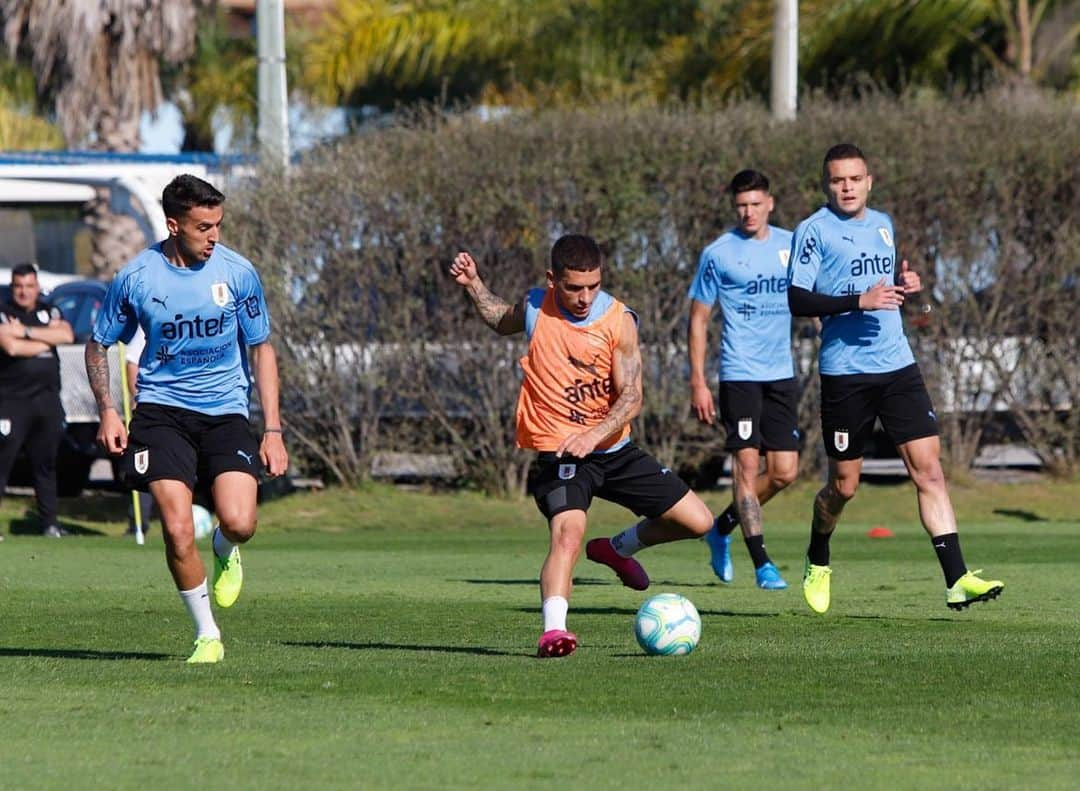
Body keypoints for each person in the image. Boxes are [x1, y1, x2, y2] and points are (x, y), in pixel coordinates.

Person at [449, 235, 714, 658]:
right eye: (574, 287)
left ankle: (618, 548)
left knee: (698, 522)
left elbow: (632, 396)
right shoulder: (537, 307)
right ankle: (554, 632)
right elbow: (501, 318)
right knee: (568, 535)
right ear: (553, 280)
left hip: (612, 449)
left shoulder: (617, 320)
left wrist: (593, 434)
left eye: (593, 286)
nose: (585, 296)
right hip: (561, 452)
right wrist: (474, 284)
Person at [787, 143, 1003, 613]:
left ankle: (957, 578)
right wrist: (856, 301)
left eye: (854, 179)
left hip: (898, 366)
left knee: (930, 471)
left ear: (869, 181)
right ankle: (818, 555)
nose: (846, 187)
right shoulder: (813, 231)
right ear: (828, 185)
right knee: (844, 486)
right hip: (845, 374)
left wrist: (915, 294)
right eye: (837, 180)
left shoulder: (884, 225)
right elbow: (798, 301)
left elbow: (913, 311)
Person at [85, 174, 288, 663]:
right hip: (161, 413)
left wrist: (274, 429)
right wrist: (109, 411)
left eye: (218, 224)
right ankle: (207, 635)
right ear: (174, 225)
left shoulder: (238, 273)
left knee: (240, 522)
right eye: (203, 227)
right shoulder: (137, 278)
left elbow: (261, 348)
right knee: (176, 530)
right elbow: (98, 344)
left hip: (225, 412)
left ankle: (224, 546)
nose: (214, 235)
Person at [687, 169, 798, 590]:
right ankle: (763, 563)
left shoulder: (792, 245)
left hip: (782, 373)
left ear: (770, 203)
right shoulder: (718, 253)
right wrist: (699, 381)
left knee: (785, 472)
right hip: (739, 374)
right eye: (741, 206)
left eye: (756, 204)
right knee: (747, 467)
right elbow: (698, 319)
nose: (749, 212)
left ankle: (721, 528)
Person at [0, 263, 75, 538]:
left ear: (37, 288)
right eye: (18, 286)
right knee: (3, 462)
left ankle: (49, 524)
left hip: (47, 400)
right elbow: (10, 346)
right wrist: (48, 339)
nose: (23, 292)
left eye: (29, 286)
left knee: (46, 463)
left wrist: (27, 333)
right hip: (12, 401)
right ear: (12, 288)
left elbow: (66, 334)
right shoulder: (3, 312)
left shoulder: (49, 310)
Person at [121, 326, 156, 538]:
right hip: (153, 411)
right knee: (144, 465)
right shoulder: (149, 320)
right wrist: (138, 397)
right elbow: (132, 362)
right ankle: (138, 523)